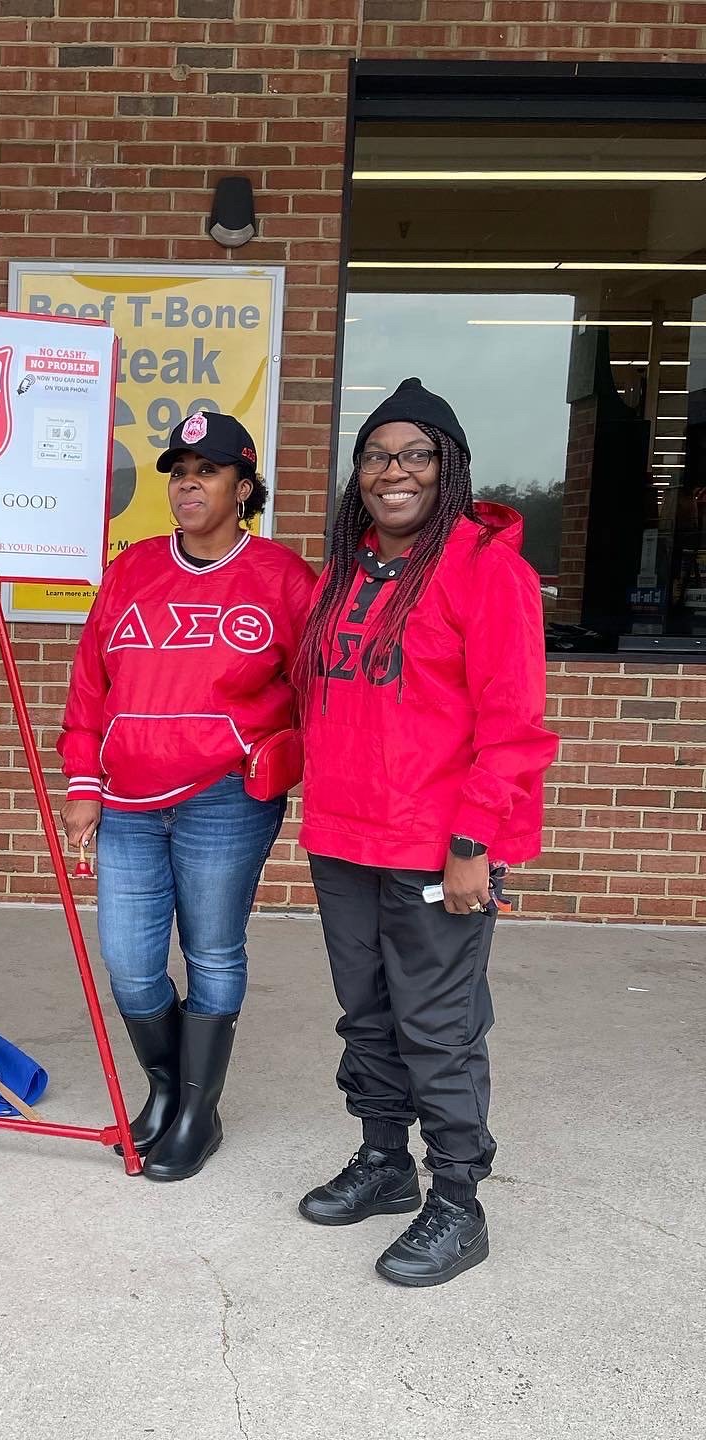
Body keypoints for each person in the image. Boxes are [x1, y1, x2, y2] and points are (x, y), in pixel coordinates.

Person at [294, 378, 558, 1287]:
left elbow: (513, 723)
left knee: (436, 1026)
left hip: (437, 847)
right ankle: (384, 1163)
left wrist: (477, 843)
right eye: (376, 455)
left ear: (447, 467)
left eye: (415, 454)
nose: (393, 471)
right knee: (365, 1013)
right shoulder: (346, 568)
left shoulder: (488, 568)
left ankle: (458, 1200)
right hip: (343, 835)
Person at [59, 411, 317, 1181]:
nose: (188, 484)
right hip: (128, 802)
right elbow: (88, 688)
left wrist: (272, 753)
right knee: (132, 966)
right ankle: (167, 1090)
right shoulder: (133, 568)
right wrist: (83, 783)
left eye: (206, 471)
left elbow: (321, 691)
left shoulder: (284, 577)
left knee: (211, 951)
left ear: (243, 487)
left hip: (224, 799)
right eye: (179, 472)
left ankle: (197, 1115)